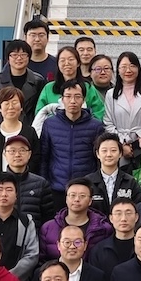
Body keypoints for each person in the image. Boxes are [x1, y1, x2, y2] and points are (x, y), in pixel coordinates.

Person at [39, 80, 104, 210]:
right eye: (68, 96)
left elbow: (98, 160)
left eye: (77, 96)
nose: (72, 101)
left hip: (85, 188)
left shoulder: (95, 126)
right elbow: (44, 157)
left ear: (84, 100)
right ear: (62, 99)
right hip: (57, 187)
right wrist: (45, 183)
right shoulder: (50, 124)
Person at [0, 135, 53, 229]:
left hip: (32, 236)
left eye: (22, 150)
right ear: (5, 154)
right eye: (12, 151)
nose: (17, 154)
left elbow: (47, 220)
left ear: (29, 154)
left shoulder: (41, 184)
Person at [103, 52, 141, 170]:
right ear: (118, 70)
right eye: (123, 67)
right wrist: (121, 143)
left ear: (138, 68)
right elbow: (108, 123)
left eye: (132, 66)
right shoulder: (111, 94)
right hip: (119, 147)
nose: (128, 70)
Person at [39, 178, 113, 262]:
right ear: (66, 199)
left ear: (90, 201)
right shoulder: (48, 228)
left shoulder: (103, 229)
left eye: (82, 196)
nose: (77, 199)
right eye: (72, 195)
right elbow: (42, 261)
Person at [31, 225, 105, 281]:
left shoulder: (97, 276)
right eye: (67, 242)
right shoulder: (42, 273)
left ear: (85, 245)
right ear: (58, 245)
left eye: (77, 242)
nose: (72, 246)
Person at [0, 87, 40, 178]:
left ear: (21, 107)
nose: (11, 107)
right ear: (0, 108)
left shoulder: (30, 132)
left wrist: (23, 177)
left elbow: (36, 157)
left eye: (14, 102)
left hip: (25, 181)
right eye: (6, 103)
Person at [34, 46, 105, 120]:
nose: (67, 63)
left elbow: (99, 112)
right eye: (62, 60)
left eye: (71, 59)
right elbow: (40, 114)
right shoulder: (49, 88)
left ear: (78, 63)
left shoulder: (88, 88)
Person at [0, 39, 45, 125]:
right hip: (2, 126)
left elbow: (40, 109)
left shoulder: (38, 80)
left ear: (29, 57)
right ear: (8, 58)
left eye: (23, 55)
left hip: (28, 127)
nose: (19, 58)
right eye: (14, 55)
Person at [86, 133, 141, 215]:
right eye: (104, 151)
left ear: (120, 153)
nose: (109, 154)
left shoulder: (130, 182)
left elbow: (140, 209)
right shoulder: (88, 182)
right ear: (97, 154)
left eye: (113, 150)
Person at [89, 198, 138, 281]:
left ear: (136, 217)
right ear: (111, 218)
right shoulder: (99, 250)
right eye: (118, 214)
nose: (123, 219)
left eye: (128, 213)